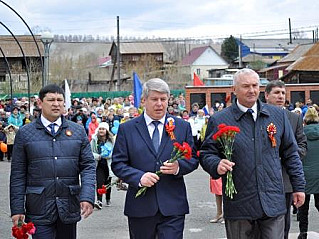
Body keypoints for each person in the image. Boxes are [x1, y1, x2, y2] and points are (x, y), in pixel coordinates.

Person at [200, 69, 305, 239]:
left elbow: (291, 154)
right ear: (234, 89)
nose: (251, 90)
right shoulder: (220, 119)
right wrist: (216, 164)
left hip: (272, 201)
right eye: (246, 86)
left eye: (255, 85)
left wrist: (299, 186)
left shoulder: (277, 116)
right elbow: (206, 153)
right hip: (239, 204)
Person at [111, 78, 199, 239]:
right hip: (141, 207)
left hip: (173, 206)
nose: (159, 104)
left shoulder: (182, 127)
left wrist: (178, 167)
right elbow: (118, 164)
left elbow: (193, 158)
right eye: (154, 99)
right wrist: (139, 177)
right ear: (144, 100)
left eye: (163, 99)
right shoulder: (127, 129)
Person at [10, 84, 96, 239]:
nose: (56, 104)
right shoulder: (25, 133)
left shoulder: (78, 131)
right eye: (51, 100)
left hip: (68, 206)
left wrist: (87, 196)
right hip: (38, 207)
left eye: (59, 100)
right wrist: (17, 209)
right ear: (40, 103)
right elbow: (18, 174)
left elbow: (88, 166)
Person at [265, 80, 307, 239]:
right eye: (276, 93)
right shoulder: (260, 116)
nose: (280, 96)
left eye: (283, 93)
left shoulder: (294, 118)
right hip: (264, 178)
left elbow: (303, 145)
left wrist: (289, 153)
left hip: (285, 179)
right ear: (267, 95)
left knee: (284, 225)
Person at [297, 107, 319, 239]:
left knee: (303, 208)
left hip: (304, 175)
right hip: (318, 175)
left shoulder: (300, 134)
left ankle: (303, 233)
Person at [90, 122, 115, 209]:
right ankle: (99, 201)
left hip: (108, 164)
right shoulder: (94, 140)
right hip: (98, 164)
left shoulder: (111, 140)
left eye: (103, 129)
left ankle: (108, 198)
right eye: (100, 129)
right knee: (99, 182)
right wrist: (98, 156)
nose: (101, 131)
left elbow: (115, 152)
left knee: (107, 183)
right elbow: (90, 152)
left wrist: (108, 155)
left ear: (106, 130)